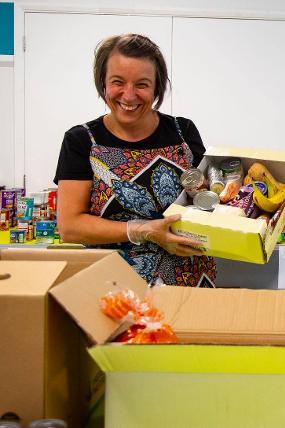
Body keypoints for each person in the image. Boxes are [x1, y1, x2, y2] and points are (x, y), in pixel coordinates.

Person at [54, 33, 216, 287]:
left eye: (142, 84)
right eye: (118, 82)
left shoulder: (183, 132)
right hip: (114, 288)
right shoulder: (82, 141)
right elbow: (70, 226)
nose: (129, 96)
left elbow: (205, 199)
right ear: (103, 83)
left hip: (189, 282)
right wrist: (143, 230)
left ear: (156, 88)